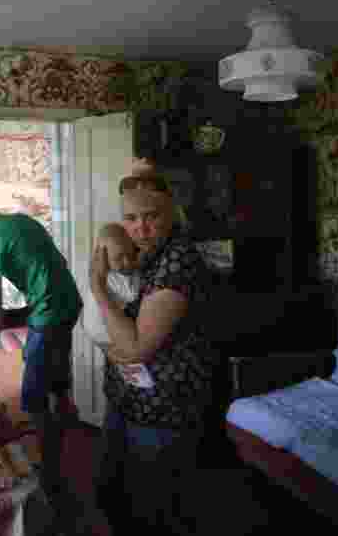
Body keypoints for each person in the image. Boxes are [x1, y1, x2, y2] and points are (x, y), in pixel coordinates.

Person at [0, 194, 90, 535]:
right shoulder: (20, 220)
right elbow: (54, 260)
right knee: (54, 380)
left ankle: (50, 477)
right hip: (68, 303)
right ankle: (66, 424)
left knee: (32, 398)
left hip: (49, 312)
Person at [90, 170, 221, 535]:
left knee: (155, 509)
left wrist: (98, 287)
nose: (140, 228)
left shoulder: (177, 261)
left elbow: (135, 349)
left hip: (164, 406)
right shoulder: (144, 254)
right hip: (129, 396)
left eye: (152, 216)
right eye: (131, 218)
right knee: (117, 496)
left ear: (171, 211)